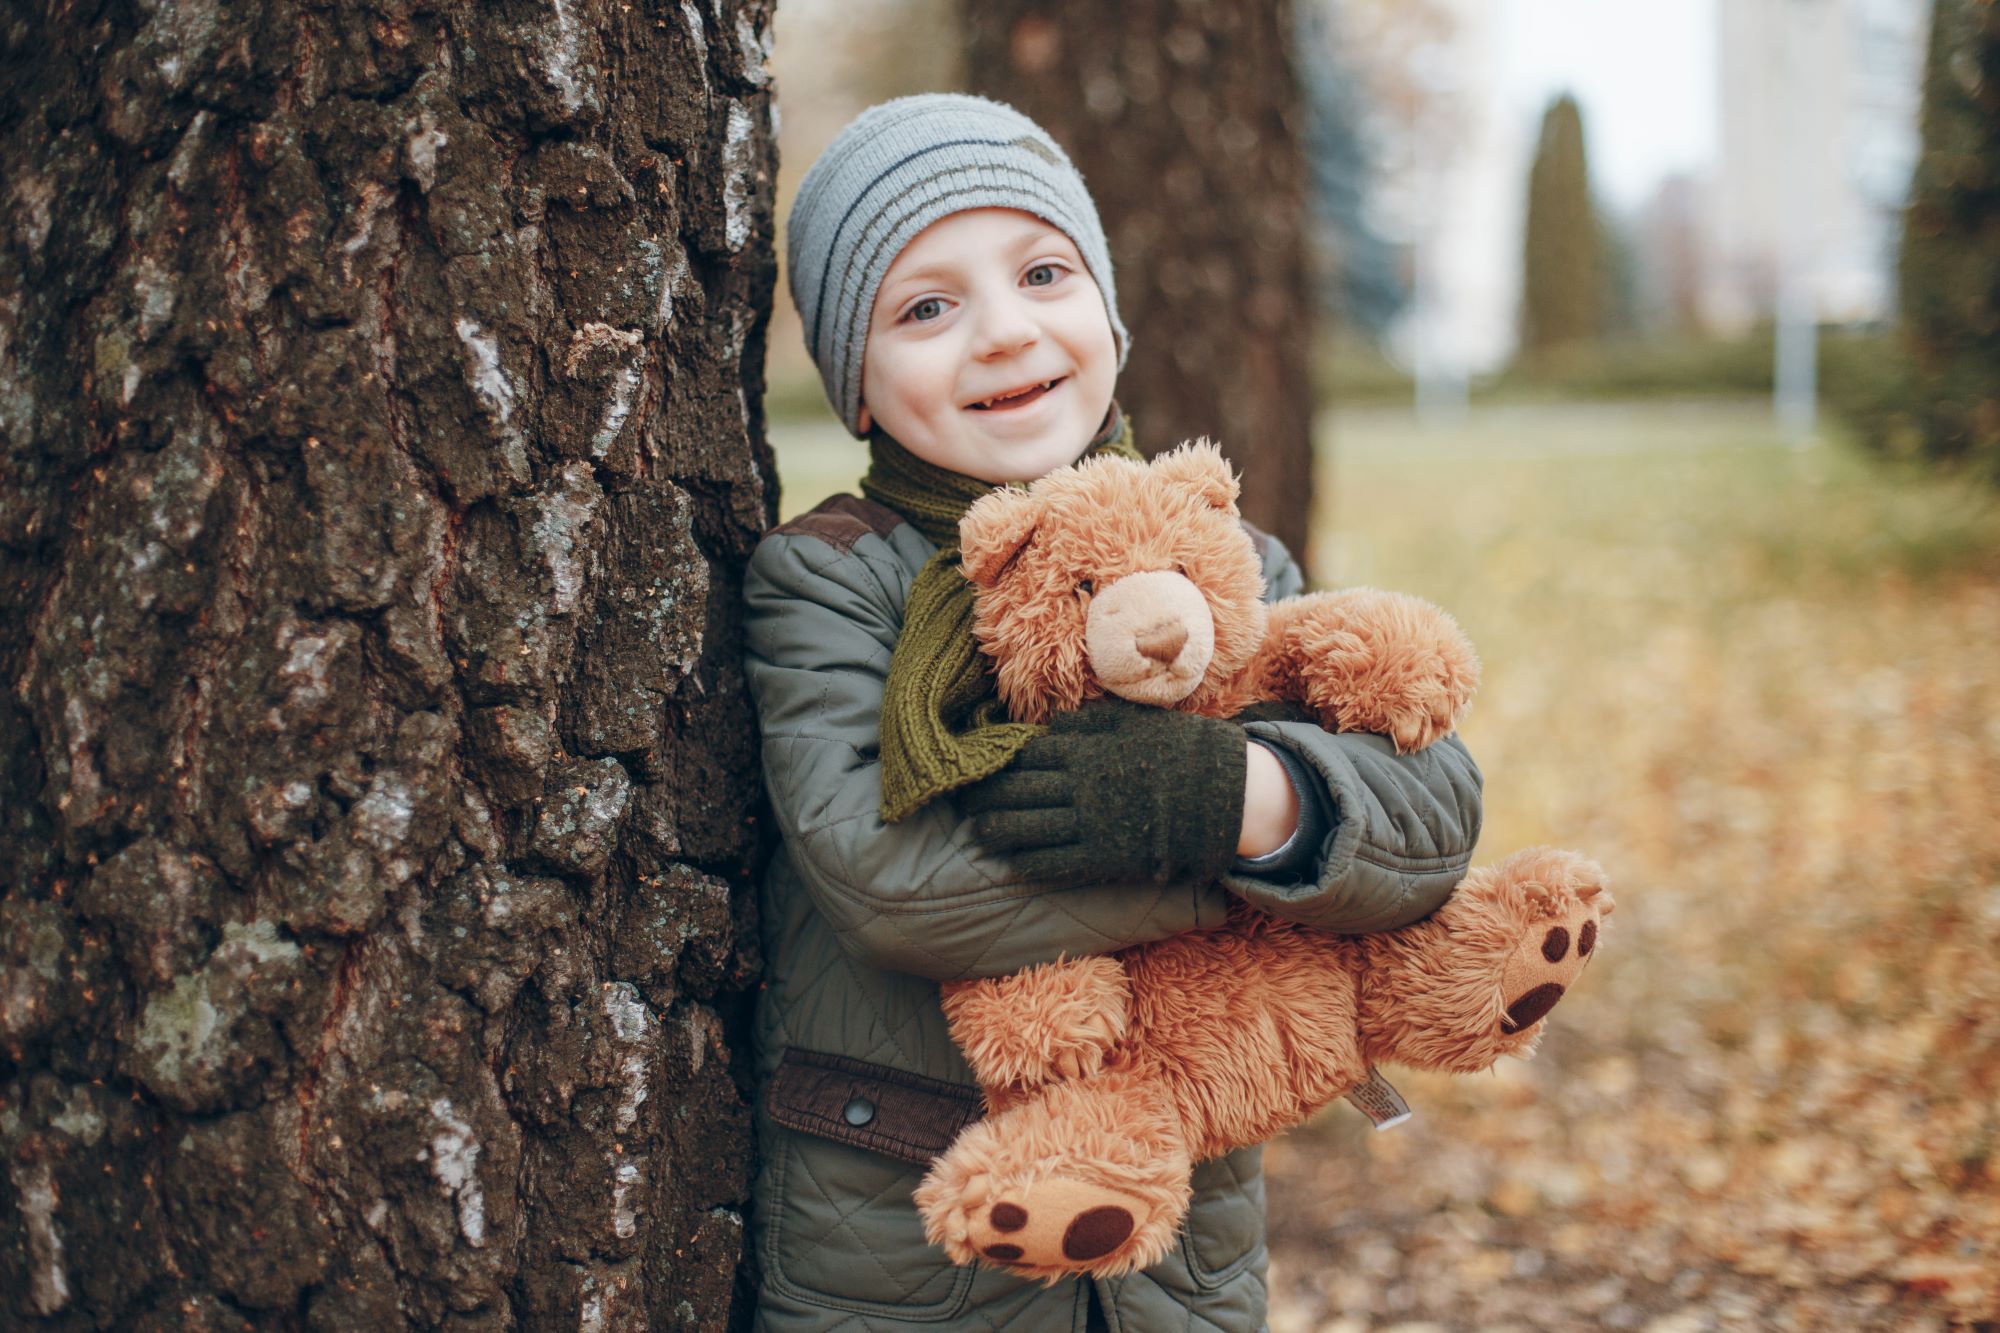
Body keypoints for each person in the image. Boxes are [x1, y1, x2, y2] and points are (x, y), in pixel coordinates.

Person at [744, 94, 1483, 1332]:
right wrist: (1244, 872)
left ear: (1107, 315)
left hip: (1183, 1255)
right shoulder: (829, 580)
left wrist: (1241, 799)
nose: (1002, 333)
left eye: (1042, 271)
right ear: (855, 387)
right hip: (899, 1244)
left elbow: (1430, 812)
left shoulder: (1225, 556)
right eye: (925, 306)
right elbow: (889, 878)